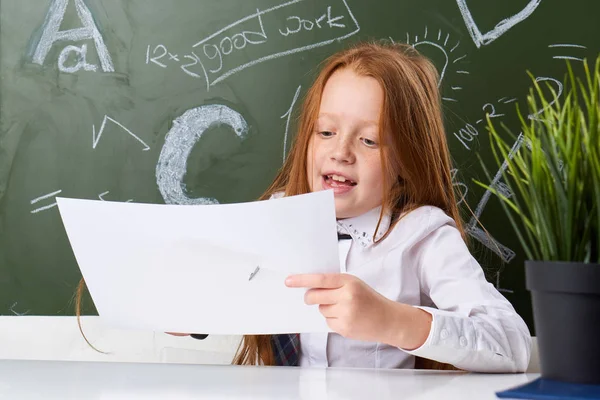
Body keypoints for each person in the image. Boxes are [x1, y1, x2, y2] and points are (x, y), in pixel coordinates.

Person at [168, 41, 530, 371]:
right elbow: (231, 293)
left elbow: (511, 346)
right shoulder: (275, 215)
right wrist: (189, 311)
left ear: (406, 160)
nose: (340, 152)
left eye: (369, 140)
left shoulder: (423, 236)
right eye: (325, 132)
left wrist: (390, 319)